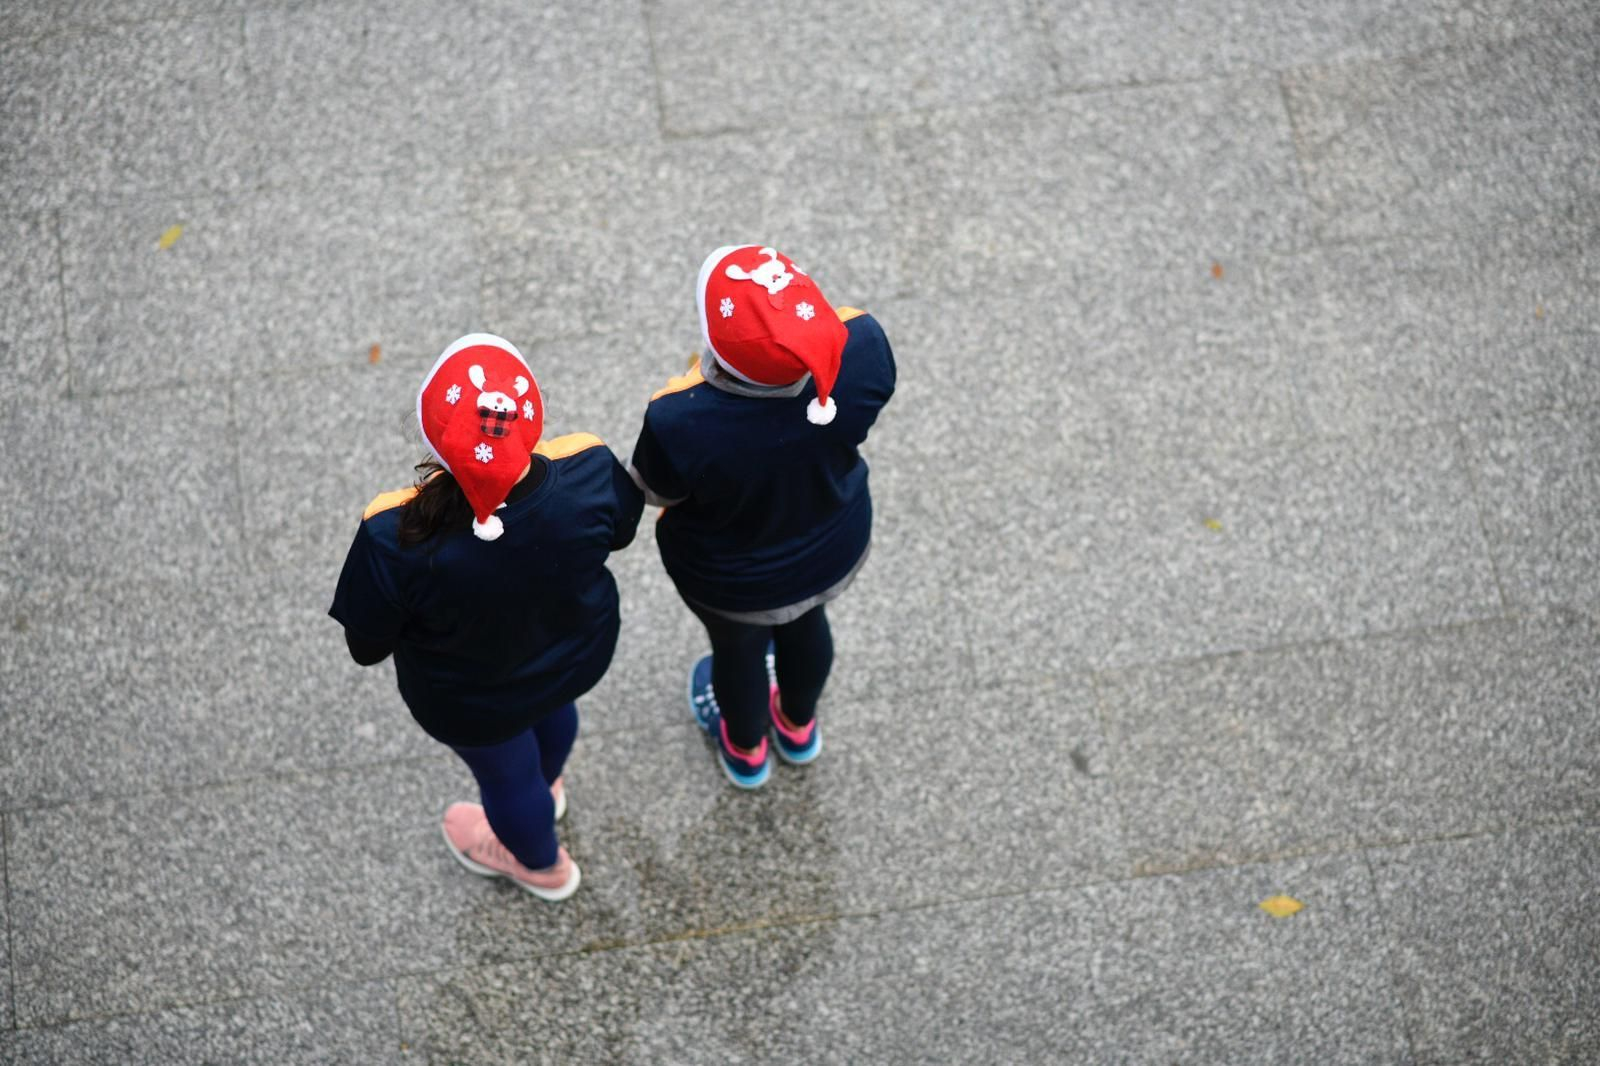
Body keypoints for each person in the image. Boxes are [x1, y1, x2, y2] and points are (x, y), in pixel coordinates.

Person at [330, 333, 643, 900]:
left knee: (505, 774)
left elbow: (367, 645)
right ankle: (546, 788)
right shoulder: (588, 469)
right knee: (553, 718)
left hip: (470, 699)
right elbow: (620, 530)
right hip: (574, 652)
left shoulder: (391, 534)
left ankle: (542, 865)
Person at [628, 246, 896, 789]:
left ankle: (746, 751)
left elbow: (656, 491)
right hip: (833, 544)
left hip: (730, 579)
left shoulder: (680, 416)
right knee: (808, 626)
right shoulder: (864, 345)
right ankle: (797, 728)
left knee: (737, 653)